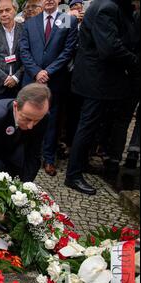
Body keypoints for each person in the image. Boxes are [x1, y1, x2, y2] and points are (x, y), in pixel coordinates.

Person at [65, 0, 140, 195]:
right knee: (87, 126)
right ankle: (73, 174)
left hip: (104, 81)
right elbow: (109, 47)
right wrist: (135, 61)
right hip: (96, 81)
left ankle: (80, 165)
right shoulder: (107, 8)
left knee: (93, 127)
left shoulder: (118, 7)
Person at [19, 0, 78, 177]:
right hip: (31, 79)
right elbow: (24, 50)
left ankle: (49, 158)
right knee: (27, 117)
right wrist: (37, 72)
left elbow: (68, 51)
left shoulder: (68, 20)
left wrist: (48, 72)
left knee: (52, 121)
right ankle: (26, 154)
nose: (49, 0)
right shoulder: (29, 23)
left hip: (55, 80)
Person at [0, 83, 50, 183]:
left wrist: (24, 187)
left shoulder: (42, 116)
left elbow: (34, 155)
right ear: (16, 106)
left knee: (16, 172)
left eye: (37, 120)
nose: (31, 126)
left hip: (13, 140)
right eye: (27, 119)